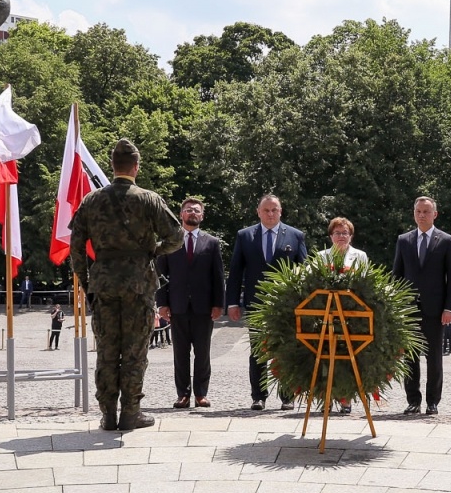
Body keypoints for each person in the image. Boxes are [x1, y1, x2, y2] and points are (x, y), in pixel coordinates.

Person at [68, 139, 183, 432]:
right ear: (136, 166)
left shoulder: (91, 201)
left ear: (112, 165)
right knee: (134, 351)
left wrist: (85, 282)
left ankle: (108, 413)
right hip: (138, 284)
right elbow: (177, 236)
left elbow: (77, 247)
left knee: (107, 350)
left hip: (103, 285)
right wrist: (154, 251)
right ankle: (131, 411)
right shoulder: (148, 199)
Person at [226, 194, 308, 410]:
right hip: (256, 303)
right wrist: (232, 302)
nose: (270, 214)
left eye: (275, 210)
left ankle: (287, 396)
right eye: (266, 210)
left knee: (286, 350)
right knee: (258, 351)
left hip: (286, 305)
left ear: (280, 211)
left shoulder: (295, 235)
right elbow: (235, 271)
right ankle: (258, 396)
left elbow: (305, 270)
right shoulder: (245, 236)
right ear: (258, 212)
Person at [390, 196, 451, 416]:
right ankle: (413, 400)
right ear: (414, 213)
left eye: (426, 212)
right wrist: (395, 306)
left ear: (435, 214)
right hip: (408, 309)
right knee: (410, 357)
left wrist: (450, 307)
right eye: (418, 211)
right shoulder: (404, 240)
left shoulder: (447, 241)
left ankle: (432, 401)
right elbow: (396, 275)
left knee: (434, 357)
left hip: (436, 309)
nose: (421, 215)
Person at [155, 197, 225, 410]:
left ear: (202, 216)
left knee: (203, 353)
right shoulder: (170, 242)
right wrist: (162, 304)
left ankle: (201, 394)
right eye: (188, 210)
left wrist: (218, 304)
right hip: (177, 306)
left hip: (204, 308)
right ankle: (183, 395)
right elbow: (160, 275)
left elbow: (217, 276)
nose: (192, 213)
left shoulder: (211, 243)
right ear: (181, 214)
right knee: (180, 353)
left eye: (196, 210)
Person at [323, 217, 369, 413]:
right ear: (330, 235)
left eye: (345, 233)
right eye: (337, 233)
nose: (341, 236)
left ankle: (346, 398)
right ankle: (326, 396)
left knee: (348, 357)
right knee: (326, 356)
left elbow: (366, 284)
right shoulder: (321, 257)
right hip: (325, 314)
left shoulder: (360, 256)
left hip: (351, 315)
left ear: (351, 236)